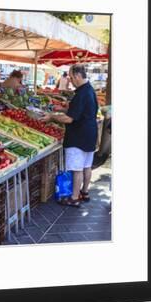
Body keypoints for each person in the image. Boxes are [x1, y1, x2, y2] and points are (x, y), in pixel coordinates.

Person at [41, 64, 98, 207]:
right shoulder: (89, 90)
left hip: (78, 136)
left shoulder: (81, 93)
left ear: (78, 76)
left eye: (72, 78)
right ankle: (84, 192)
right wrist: (65, 108)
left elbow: (69, 119)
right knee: (87, 166)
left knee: (77, 169)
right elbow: (81, 110)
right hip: (90, 134)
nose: (71, 81)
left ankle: (74, 198)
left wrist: (52, 117)